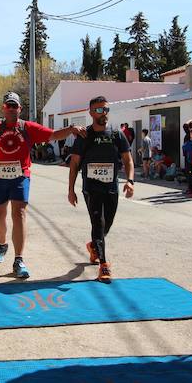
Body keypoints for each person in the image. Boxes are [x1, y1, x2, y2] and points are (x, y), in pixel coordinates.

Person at [0, 91, 76, 278]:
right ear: (3, 108)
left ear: (20, 108)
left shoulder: (27, 127)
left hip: (21, 175)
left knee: (19, 214)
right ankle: (2, 245)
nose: (11, 109)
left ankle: (18, 259)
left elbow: (52, 135)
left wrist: (71, 129)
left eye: (15, 106)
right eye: (8, 106)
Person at [67, 96, 134, 283]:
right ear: (90, 113)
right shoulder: (84, 136)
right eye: (98, 110)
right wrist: (71, 190)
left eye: (105, 109)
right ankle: (104, 265)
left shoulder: (116, 135)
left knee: (107, 224)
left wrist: (130, 181)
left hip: (111, 187)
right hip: (91, 188)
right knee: (98, 222)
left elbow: (128, 160)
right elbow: (74, 165)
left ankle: (94, 246)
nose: (102, 113)